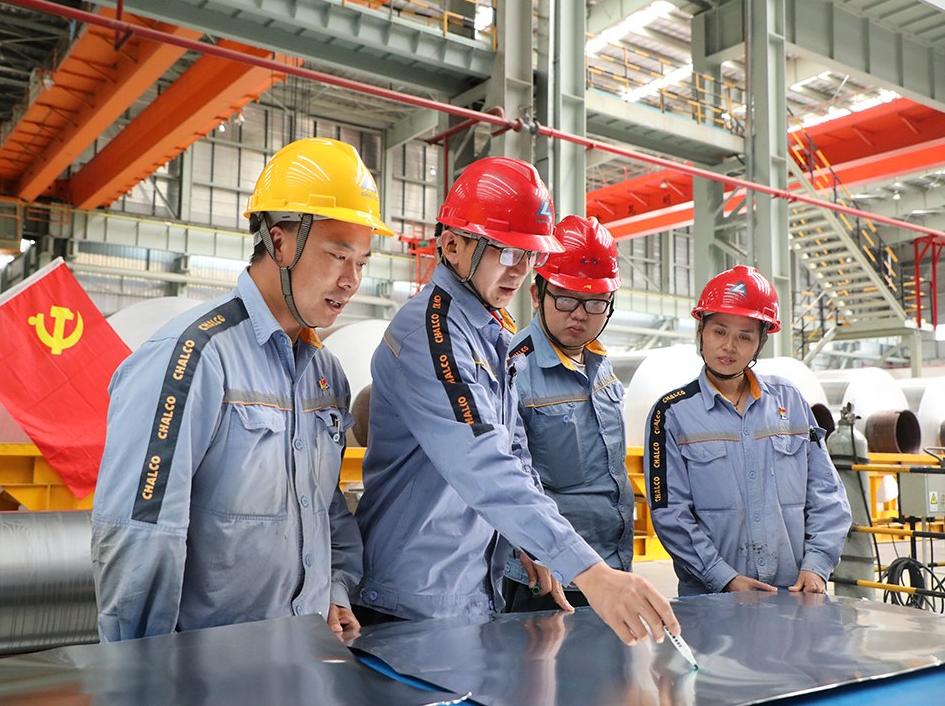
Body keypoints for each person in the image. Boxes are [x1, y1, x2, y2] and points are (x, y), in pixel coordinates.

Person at [355, 157, 679, 646]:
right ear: (453, 245)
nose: (522, 272)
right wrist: (589, 569)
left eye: (530, 256)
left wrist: (529, 540)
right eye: (508, 253)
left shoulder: (491, 329)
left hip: (471, 589)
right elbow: (481, 461)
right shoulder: (431, 330)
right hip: (413, 598)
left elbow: (515, 455)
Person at [91, 137, 393, 641]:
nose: (351, 281)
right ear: (280, 242)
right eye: (338, 256)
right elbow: (140, 534)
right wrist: (138, 674)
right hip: (212, 665)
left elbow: (325, 506)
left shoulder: (326, 374)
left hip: (305, 654)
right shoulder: (192, 359)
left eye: (362, 262)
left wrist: (335, 588)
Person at [644, 265, 852, 597]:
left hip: (794, 594)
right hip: (713, 599)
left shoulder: (790, 401)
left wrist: (817, 564)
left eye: (745, 336)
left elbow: (827, 495)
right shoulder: (672, 414)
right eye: (719, 331)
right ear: (701, 332)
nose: (729, 346)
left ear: (760, 343)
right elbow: (670, 514)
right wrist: (722, 577)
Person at [503, 215, 634, 613]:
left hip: (611, 566)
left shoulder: (600, 363)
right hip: (545, 581)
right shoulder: (513, 371)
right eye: (565, 297)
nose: (580, 314)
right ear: (537, 292)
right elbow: (500, 481)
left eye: (595, 302)